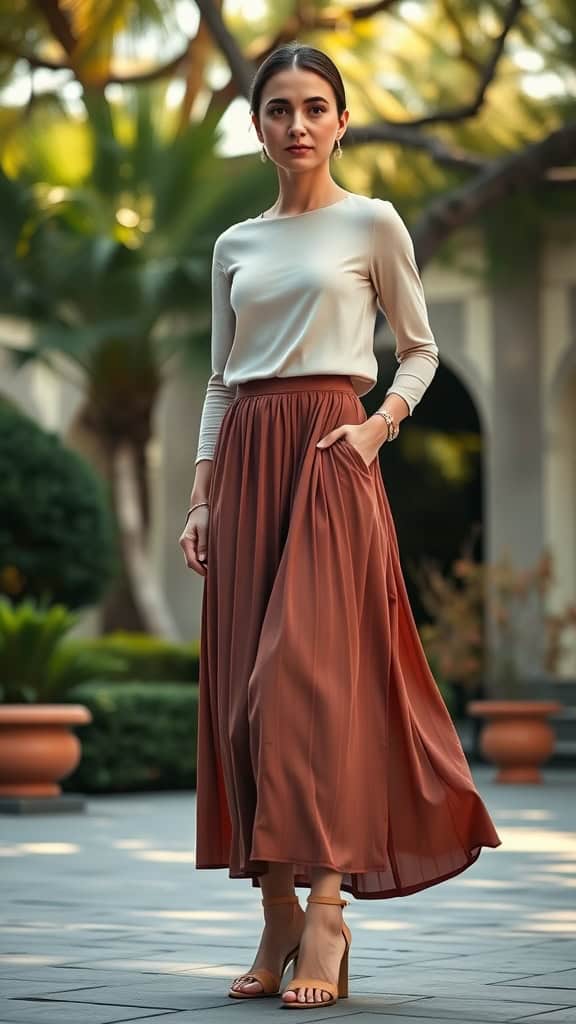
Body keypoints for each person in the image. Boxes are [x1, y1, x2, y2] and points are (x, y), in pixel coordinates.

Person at [179, 42, 501, 1012]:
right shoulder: (235, 244)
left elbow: (420, 349)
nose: (298, 124)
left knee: (302, 686)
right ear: (258, 126)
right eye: (279, 109)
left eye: (316, 106)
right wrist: (201, 495)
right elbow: (220, 378)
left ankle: (328, 905)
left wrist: (375, 427)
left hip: (331, 459)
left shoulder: (374, 222)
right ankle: (277, 907)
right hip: (247, 462)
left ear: (343, 121)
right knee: (241, 696)